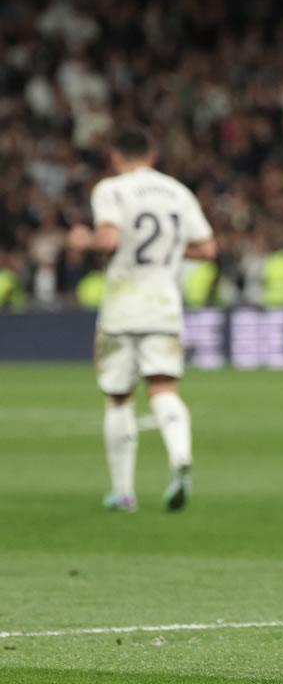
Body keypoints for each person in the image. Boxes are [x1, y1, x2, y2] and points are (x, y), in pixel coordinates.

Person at [67, 127, 217, 513]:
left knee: (118, 397)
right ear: (152, 154)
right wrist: (169, 250)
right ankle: (180, 457)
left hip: (121, 307)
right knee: (164, 389)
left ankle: (123, 492)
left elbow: (108, 241)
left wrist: (82, 240)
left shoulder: (111, 189)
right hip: (164, 304)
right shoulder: (177, 192)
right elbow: (207, 248)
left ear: (116, 156)